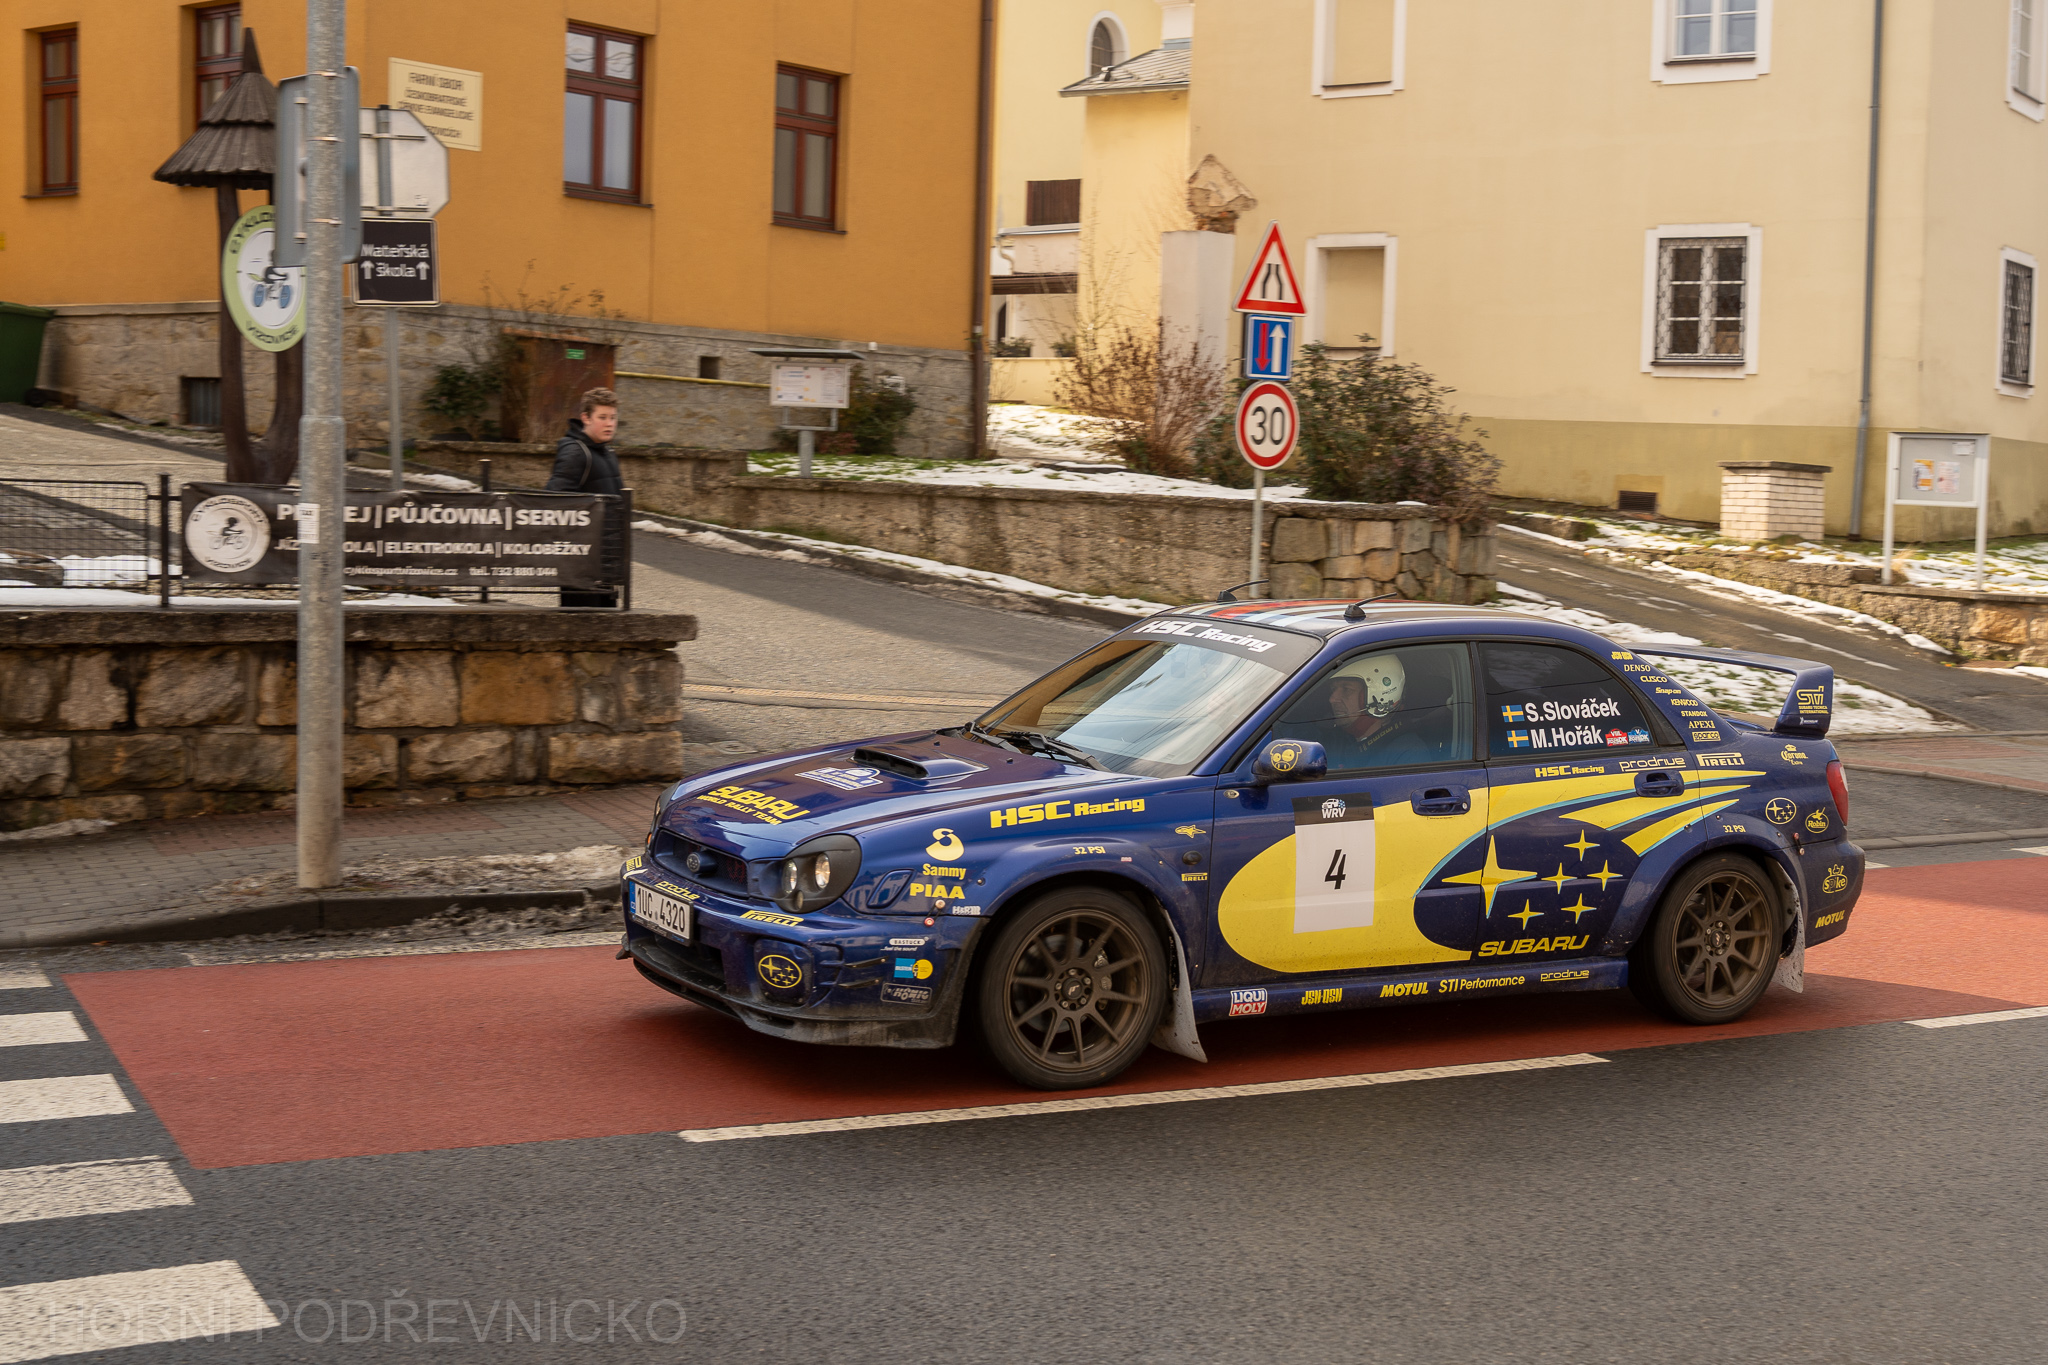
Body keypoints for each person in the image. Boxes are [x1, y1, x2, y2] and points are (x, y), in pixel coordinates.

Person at [546, 387, 623, 607]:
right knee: (582, 623)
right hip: (580, 565)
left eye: (612, 417)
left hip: (604, 560)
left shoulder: (606, 452)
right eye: (602, 417)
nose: (609, 424)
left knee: (607, 623)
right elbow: (554, 504)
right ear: (586, 418)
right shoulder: (576, 452)